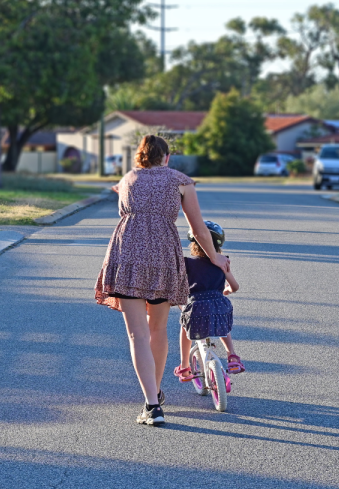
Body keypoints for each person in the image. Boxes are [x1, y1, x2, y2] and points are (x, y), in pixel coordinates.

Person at [95, 135, 229, 426]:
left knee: (137, 335)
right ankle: (154, 392)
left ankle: (152, 404)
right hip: (163, 255)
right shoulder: (182, 180)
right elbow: (198, 228)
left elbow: (123, 211)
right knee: (158, 328)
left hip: (127, 252)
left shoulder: (128, 178)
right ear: (166, 157)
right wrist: (215, 258)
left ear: (140, 156)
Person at [174, 221, 245, 381]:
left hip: (196, 306)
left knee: (185, 327)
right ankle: (232, 356)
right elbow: (234, 286)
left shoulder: (188, 264)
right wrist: (226, 290)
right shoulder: (222, 262)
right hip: (219, 304)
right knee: (223, 323)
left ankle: (185, 366)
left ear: (194, 245)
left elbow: (179, 286)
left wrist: (179, 301)